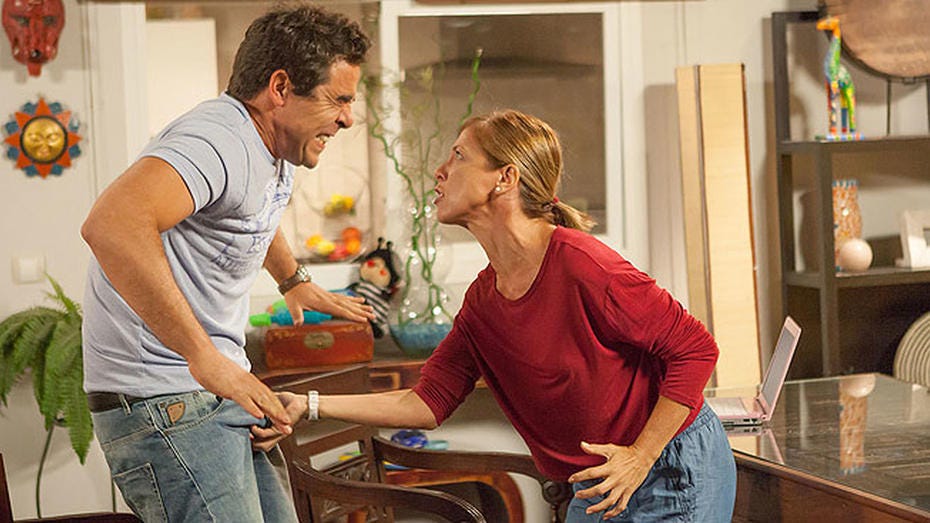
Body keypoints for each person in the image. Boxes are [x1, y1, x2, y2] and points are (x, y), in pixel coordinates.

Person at [253, 109, 737, 521]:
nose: (440, 171)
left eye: (459, 156)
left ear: (505, 178)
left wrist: (640, 457)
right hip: (600, 480)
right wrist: (307, 403)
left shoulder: (583, 265)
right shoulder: (484, 302)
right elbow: (426, 402)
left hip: (666, 465)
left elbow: (696, 349)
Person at [80, 5, 373, 521]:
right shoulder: (218, 141)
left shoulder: (268, 145)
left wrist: (292, 279)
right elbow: (112, 225)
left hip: (204, 390)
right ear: (280, 88)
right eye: (339, 99)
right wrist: (204, 357)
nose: (348, 118)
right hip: (163, 398)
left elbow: (249, 209)